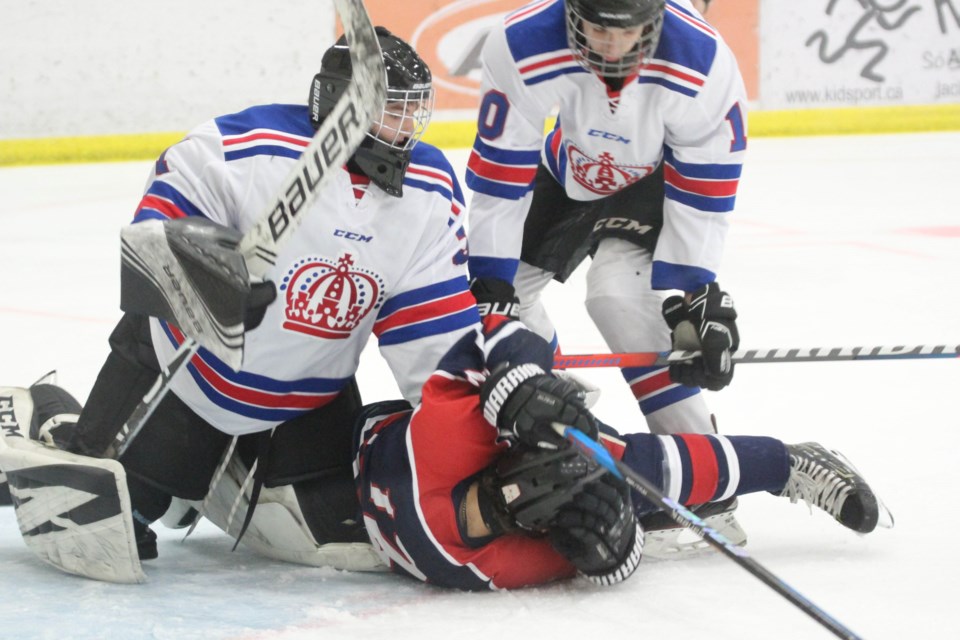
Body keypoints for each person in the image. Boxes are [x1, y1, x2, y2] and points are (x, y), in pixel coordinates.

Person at [1, 27, 480, 563]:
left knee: (349, 544)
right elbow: (151, 242)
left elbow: (431, 333)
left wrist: (470, 416)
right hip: (189, 386)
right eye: (392, 112)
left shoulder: (430, 189)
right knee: (103, 532)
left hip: (308, 403)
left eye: (412, 114)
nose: (406, 129)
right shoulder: (242, 149)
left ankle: (225, 473)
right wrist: (209, 277)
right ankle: (50, 415)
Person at [463, 0, 748, 552]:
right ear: (572, 15)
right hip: (565, 170)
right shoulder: (522, 41)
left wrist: (692, 294)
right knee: (500, 310)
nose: (613, 47)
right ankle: (545, 391)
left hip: (658, 179)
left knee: (620, 298)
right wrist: (490, 284)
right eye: (597, 30)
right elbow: (501, 175)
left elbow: (706, 183)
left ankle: (705, 476)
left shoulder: (703, 59)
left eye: (631, 32)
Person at [353, 316, 891, 589]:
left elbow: (500, 324)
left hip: (384, 441)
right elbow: (609, 560)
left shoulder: (447, 438)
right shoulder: (488, 566)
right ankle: (786, 462)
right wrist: (615, 544)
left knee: (615, 466)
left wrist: (517, 379)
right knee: (624, 483)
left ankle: (787, 464)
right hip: (400, 485)